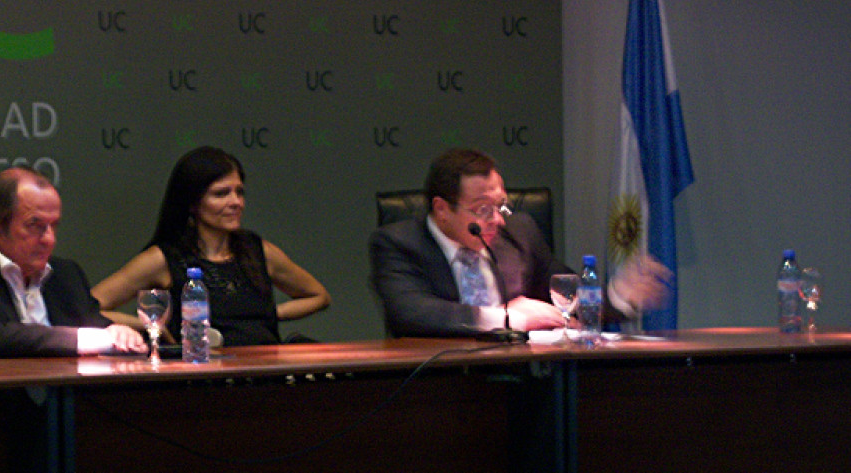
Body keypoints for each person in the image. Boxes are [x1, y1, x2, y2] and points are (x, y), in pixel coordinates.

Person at [369, 148, 669, 338]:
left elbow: (564, 294)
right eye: (483, 209)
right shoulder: (397, 243)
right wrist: (509, 317)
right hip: (440, 382)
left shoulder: (519, 232)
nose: (498, 220)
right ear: (442, 210)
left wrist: (617, 296)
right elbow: (410, 313)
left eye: (501, 205)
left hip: (523, 379)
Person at [92, 146, 331, 346]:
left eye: (240, 192)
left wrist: (271, 314)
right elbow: (92, 306)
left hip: (266, 372)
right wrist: (152, 325)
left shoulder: (258, 250)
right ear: (193, 203)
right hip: (204, 376)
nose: (236, 202)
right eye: (221, 194)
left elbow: (319, 296)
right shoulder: (165, 258)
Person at [0, 167, 146, 357]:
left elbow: (96, 325)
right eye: (35, 225)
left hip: (67, 391)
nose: (50, 239)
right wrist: (93, 339)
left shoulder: (66, 274)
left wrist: (118, 332)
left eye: (54, 225)